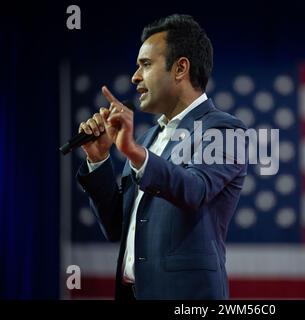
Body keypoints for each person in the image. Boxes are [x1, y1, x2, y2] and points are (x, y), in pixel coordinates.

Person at [76, 14, 248, 300]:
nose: (135, 77)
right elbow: (116, 226)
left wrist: (134, 153)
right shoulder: (148, 140)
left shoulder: (224, 128)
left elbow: (195, 189)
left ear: (180, 68)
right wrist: (99, 159)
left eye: (145, 64)